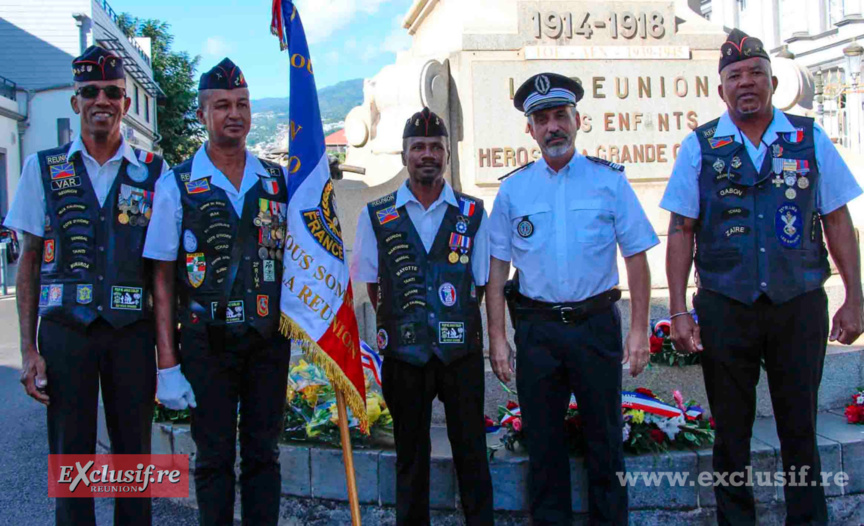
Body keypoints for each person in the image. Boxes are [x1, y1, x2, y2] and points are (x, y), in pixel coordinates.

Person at [661, 29, 864, 525]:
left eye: (756, 73)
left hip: (799, 302)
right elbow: (681, 229)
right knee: (731, 433)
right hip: (725, 305)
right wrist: (679, 310)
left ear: (773, 82)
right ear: (721, 89)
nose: (746, 82)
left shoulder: (809, 138)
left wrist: (854, 298)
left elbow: (837, 219)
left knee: (800, 429)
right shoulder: (700, 146)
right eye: (735, 76)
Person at [486, 73, 659, 525]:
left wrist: (639, 331)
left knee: (605, 440)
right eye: (542, 119)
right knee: (543, 446)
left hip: (595, 327)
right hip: (538, 331)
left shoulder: (609, 182)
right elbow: (497, 268)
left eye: (560, 116)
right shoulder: (513, 190)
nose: (553, 127)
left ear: (578, 120)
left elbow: (636, 257)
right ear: (529, 130)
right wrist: (498, 338)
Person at [5, 45, 167, 526]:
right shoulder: (42, 168)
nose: (102, 101)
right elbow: (28, 259)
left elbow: (164, 269)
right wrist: (28, 350)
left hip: (131, 332)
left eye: (112, 92)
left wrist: (168, 355)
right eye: (90, 91)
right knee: (70, 460)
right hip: (65, 332)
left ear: (126, 103)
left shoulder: (153, 173)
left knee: (134, 458)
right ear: (75, 101)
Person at [143, 58, 292, 526]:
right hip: (206, 343)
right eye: (223, 105)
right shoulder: (177, 184)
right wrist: (167, 364)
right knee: (213, 459)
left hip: (267, 341)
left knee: (264, 455)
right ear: (202, 114)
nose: (235, 114)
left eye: (242, 104)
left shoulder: (277, 181)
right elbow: (162, 278)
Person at [350, 108, 494, 525]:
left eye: (435, 146)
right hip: (404, 355)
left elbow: (481, 281)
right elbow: (373, 283)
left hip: (461, 355)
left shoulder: (472, 213)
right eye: (418, 147)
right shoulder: (376, 215)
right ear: (404, 155)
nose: (427, 154)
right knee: (410, 457)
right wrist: (407, 318)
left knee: (472, 453)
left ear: (447, 154)